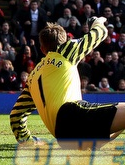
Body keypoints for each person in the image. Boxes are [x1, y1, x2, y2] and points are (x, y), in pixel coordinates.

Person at [10, 16, 125, 149]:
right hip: (72, 114)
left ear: (42, 49)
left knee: (117, 122)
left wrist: (28, 141)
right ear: (65, 41)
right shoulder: (65, 52)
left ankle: (92, 141)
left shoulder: (32, 78)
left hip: (63, 136)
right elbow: (100, 33)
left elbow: (16, 116)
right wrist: (96, 21)